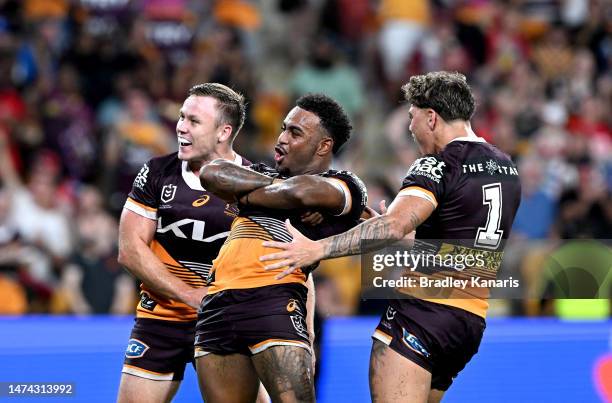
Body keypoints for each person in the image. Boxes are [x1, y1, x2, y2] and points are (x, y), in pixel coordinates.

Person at [261, 72, 522, 402]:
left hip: (423, 315)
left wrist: (317, 249)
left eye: (411, 119)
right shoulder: (506, 167)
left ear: (431, 117)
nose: (411, 131)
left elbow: (394, 225)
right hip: (468, 322)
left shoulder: (437, 165)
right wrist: (399, 232)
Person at [194, 93, 368, 402]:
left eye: (295, 133)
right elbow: (211, 172)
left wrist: (243, 194)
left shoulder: (345, 184)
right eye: (284, 128)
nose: (282, 138)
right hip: (217, 304)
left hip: (274, 300)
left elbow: (301, 191)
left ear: (324, 146)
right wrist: (277, 191)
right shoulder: (266, 173)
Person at [116, 83, 260, 402]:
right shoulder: (157, 172)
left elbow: (290, 260)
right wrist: (191, 295)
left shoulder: (256, 184)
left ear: (223, 132)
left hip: (228, 324)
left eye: (194, 121)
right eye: (182, 117)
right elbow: (129, 250)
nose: (180, 126)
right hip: (161, 318)